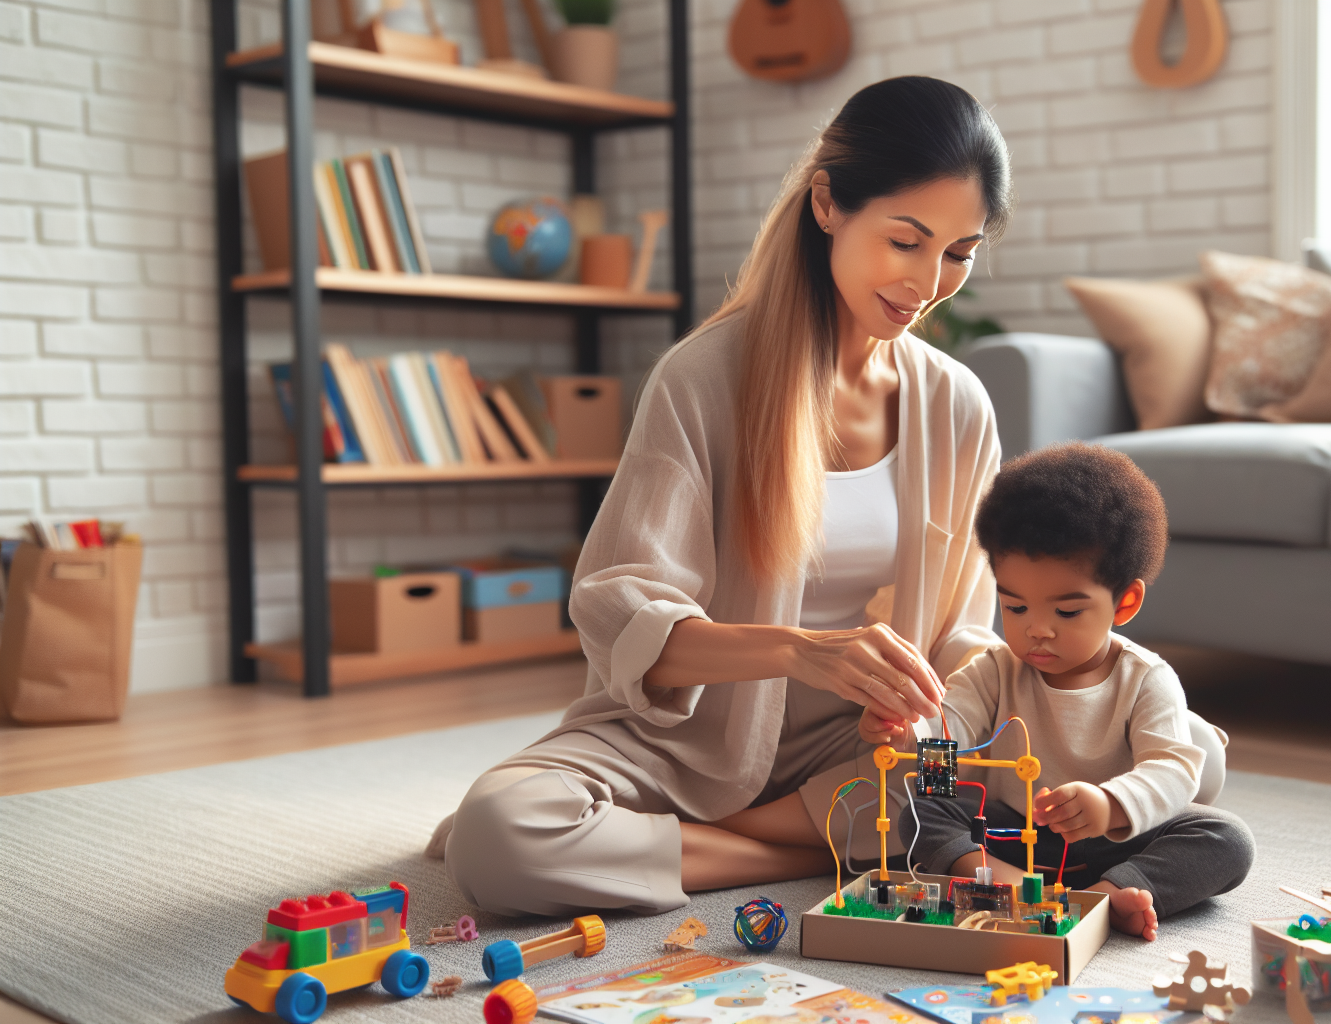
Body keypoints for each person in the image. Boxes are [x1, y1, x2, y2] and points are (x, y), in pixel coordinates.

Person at [426, 76, 1013, 918]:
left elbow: (964, 632)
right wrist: (798, 650)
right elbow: (623, 610)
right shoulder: (704, 378)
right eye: (906, 241)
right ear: (827, 205)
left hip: (860, 754)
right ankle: (789, 848)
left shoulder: (958, 406)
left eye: (957, 253)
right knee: (500, 833)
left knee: (1055, 764)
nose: (927, 281)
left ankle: (717, 845)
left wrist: (924, 721)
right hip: (691, 739)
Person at [863, 443, 1255, 940]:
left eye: (1066, 612)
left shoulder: (1146, 677)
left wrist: (1110, 804)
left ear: (1125, 602)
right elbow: (949, 734)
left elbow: (1175, 770)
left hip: (1116, 842)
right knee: (923, 804)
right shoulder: (993, 671)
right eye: (1016, 608)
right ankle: (1011, 889)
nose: (1037, 631)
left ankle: (1111, 893)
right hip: (1011, 839)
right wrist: (906, 733)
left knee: (1227, 838)